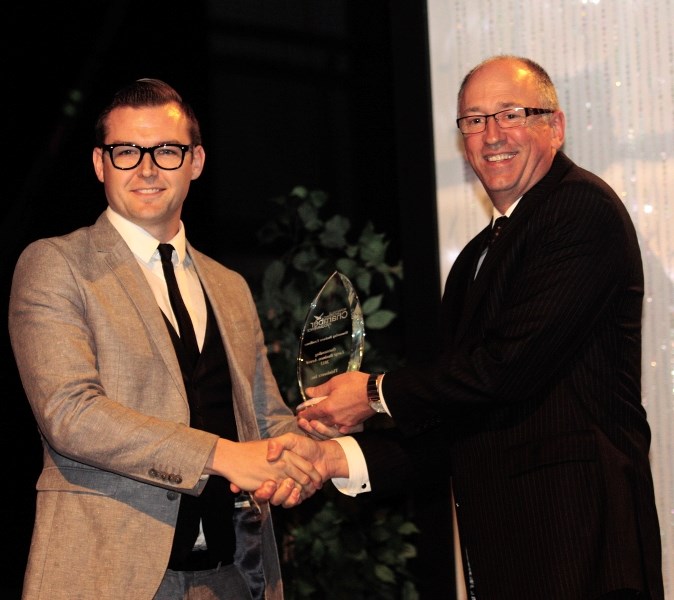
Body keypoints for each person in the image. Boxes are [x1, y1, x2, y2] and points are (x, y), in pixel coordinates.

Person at [259, 56, 665, 599]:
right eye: (474, 120)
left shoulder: (579, 210)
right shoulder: (477, 256)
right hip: (509, 557)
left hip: (581, 549)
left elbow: (505, 370)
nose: (492, 134)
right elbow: (457, 416)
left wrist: (375, 394)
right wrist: (336, 457)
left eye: (510, 114)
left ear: (555, 126)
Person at [8, 78, 325, 600]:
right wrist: (221, 456)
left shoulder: (230, 285)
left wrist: (313, 444)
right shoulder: (56, 264)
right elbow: (71, 414)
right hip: (107, 573)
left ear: (196, 161)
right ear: (99, 163)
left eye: (167, 151)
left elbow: (264, 419)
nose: (148, 168)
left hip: (233, 573)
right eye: (127, 151)